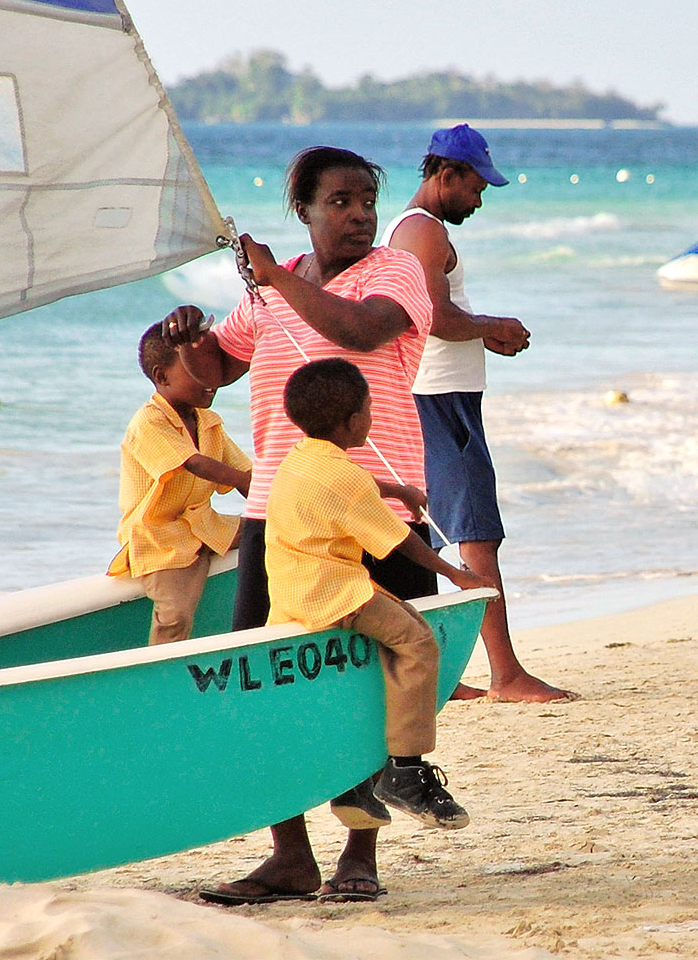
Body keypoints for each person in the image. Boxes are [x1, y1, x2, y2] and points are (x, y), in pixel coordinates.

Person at [159, 146, 435, 904]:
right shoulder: (267, 296)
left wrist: (275, 276)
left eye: (365, 202)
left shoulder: (393, 271)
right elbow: (215, 370)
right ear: (304, 212)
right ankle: (289, 856)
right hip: (274, 518)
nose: (358, 216)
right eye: (339, 202)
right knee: (262, 686)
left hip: (370, 512)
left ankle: (359, 854)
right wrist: (187, 335)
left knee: (363, 692)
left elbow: (361, 332)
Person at [385, 124, 574, 703]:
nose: (481, 197)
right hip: (438, 398)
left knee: (426, 534)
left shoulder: (417, 229)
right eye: (476, 185)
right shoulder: (423, 231)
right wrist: (490, 328)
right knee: (475, 535)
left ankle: (440, 673)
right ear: (447, 174)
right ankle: (506, 675)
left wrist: (483, 334)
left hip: (438, 395)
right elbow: (434, 318)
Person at [267, 359, 494, 831]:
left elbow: (349, 484)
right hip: (332, 591)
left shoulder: (299, 458)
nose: (372, 417)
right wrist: (458, 574)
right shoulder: (345, 477)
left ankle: (350, 777)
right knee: (416, 641)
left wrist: (395, 489)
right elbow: (400, 543)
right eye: (369, 410)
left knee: (358, 665)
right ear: (353, 422)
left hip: (290, 588)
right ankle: (405, 773)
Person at [108, 325, 250, 644]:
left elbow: (246, 473)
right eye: (195, 368)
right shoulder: (148, 422)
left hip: (203, 525)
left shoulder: (208, 421)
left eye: (212, 364)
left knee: (267, 532)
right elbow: (194, 463)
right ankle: (160, 673)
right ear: (162, 377)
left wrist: (283, 503)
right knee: (176, 616)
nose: (210, 376)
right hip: (160, 538)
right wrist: (241, 479)